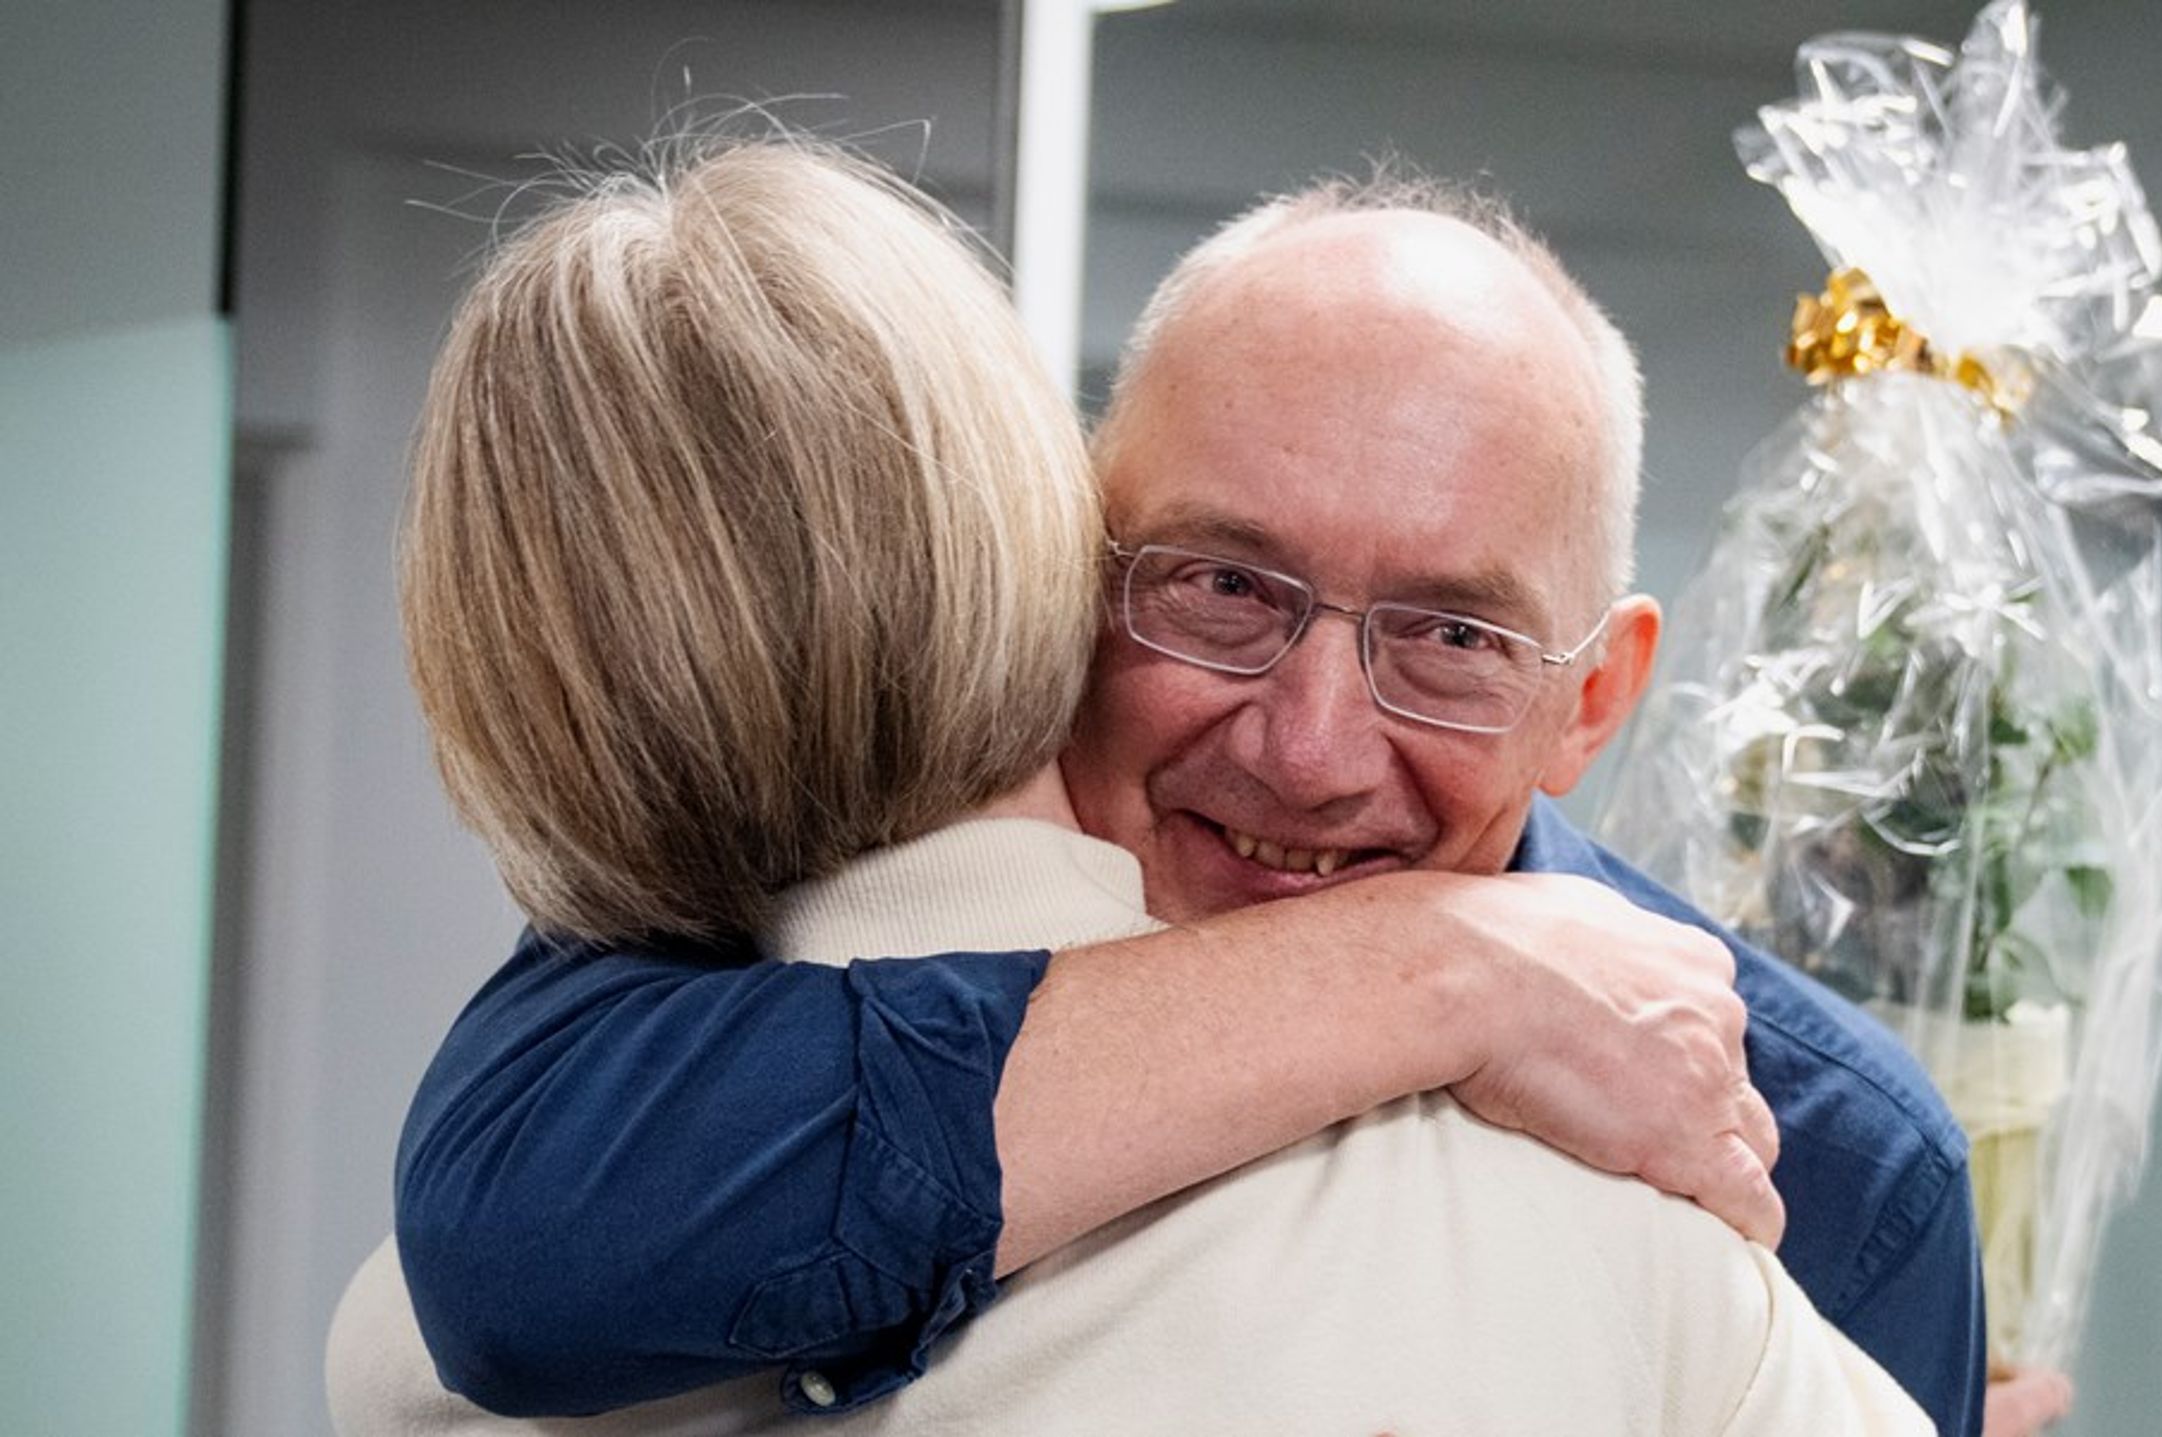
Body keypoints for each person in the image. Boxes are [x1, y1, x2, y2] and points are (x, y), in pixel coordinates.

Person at [366, 151, 1990, 1433]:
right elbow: (508, 1242)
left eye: (1448, 635)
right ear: (1070, 563)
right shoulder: (733, 952)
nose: (1306, 744)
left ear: (1594, 698)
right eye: (1221, 585)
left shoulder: (1830, 1163)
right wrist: (1447, 972)